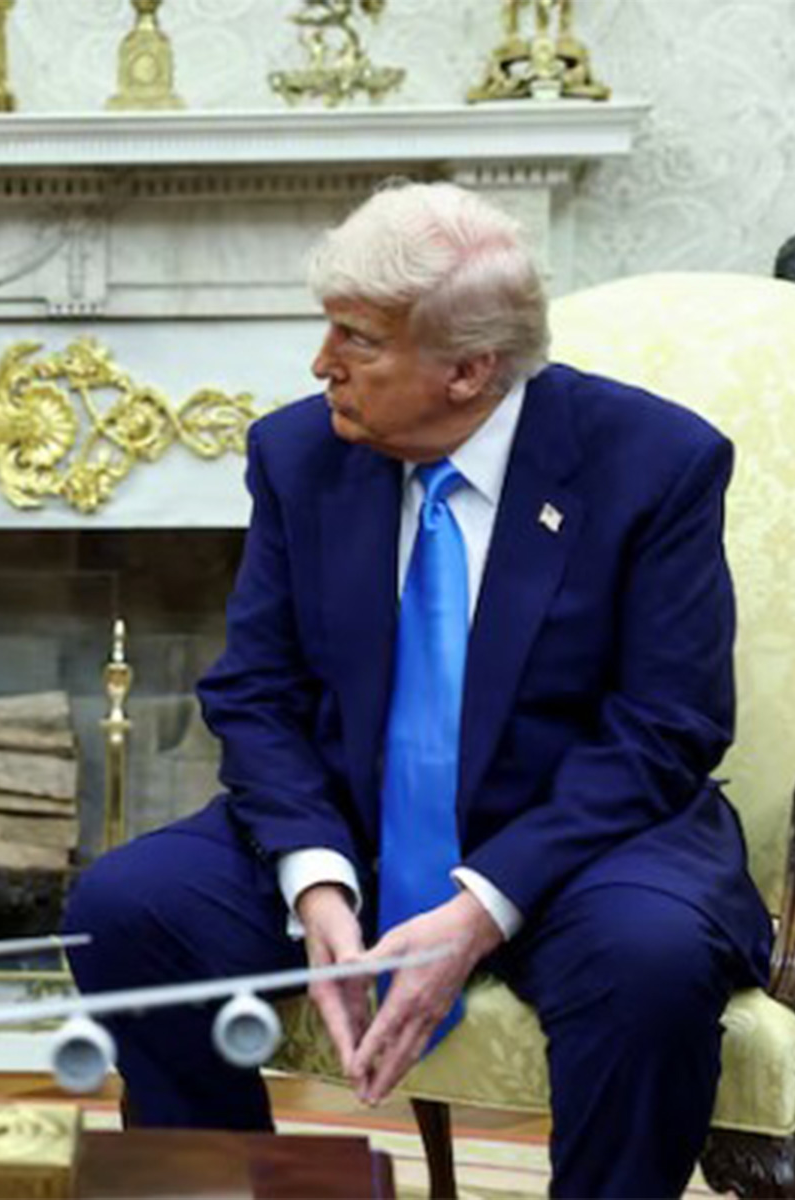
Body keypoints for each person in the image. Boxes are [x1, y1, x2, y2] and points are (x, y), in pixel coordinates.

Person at [64, 181, 771, 1197]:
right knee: (127, 907)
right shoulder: (298, 454)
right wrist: (314, 877)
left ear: (468, 369)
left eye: (356, 338)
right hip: (353, 819)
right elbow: (256, 692)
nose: (322, 363)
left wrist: (481, 904)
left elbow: (667, 726)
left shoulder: (653, 462)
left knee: (648, 963)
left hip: (580, 837)